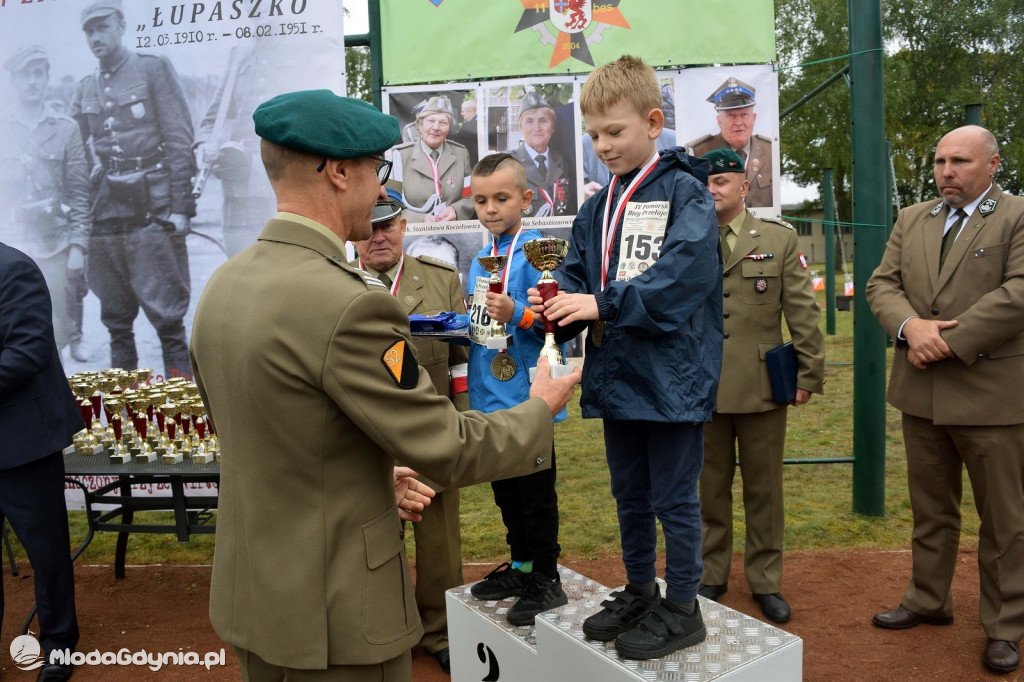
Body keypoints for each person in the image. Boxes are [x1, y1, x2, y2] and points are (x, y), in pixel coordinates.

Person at [189, 89, 580, 681]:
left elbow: (274, 436)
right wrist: (539, 406)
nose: (380, 189)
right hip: (337, 617)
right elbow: (446, 447)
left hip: (254, 601)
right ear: (340, 172)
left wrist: (371, 474)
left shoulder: (224, 285)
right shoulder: (349, 304)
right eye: (378, 170)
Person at [529, 55, 722, 659]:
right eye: (592, 135)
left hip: (671, 375)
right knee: (629, 493)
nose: (603, 145)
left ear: (653, 122)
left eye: (614, 131)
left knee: (674, 497)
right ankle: (641, 587)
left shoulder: (685, 192)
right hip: (618, 375)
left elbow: (682, 277)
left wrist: (602, 304)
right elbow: (579, 266)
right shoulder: (597, 204)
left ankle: (684, 605)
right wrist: (559, 293)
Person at [866, 125, 1024, 674]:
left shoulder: (1017, 214)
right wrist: (911, 326)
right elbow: (881, 285)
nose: (946, 172)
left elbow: (1019, 292)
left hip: (992, 398)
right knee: (931, 512)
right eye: (939, 161)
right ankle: (928, 599)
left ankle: (1004, 627)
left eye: (959, 161)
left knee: (1003, 521)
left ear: (993, 164)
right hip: (922, 394)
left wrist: (944, 341)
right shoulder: (913, 218)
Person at [695, 148, 825, 624]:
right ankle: (711, 574)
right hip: (702, 387)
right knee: (709, 490)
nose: (713, 189)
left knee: (764, 491)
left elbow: (802, 312)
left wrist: (808, 373)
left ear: (744, 187)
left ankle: (765, 581)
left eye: (722, 181)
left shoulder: (778, 238)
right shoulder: (687, 239)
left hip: (762, 387)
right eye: (706, 182)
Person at [351, 196, 470, 675]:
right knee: (370, 542)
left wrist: (461, 426)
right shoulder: (335, 282)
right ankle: (382, 633)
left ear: (404, 225)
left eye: (388, 226)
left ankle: (441, 631)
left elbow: (460, 362)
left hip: (430, 432)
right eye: (369, 228)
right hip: (363, 440)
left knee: (439, 540)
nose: (378, 237)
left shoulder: (441, 279)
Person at [465, 153, 567, 626]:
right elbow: (480, 322)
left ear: (525, 199)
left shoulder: (536, 253)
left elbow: (558, 323)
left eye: (501, 198)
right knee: (506, 490)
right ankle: (522, 566)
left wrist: (520, 314)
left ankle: (547, 577)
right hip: (490, 396)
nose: (490, 208)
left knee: (535, 493)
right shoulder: (480, 258)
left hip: (529, 396)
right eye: (481, 200)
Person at [71, 0, 196, 379]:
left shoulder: (152, 69)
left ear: (121, 25)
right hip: (107, 212)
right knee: (116, 318)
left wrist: (181, 208)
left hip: (153, 208)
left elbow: (179, 139)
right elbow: (77, 156)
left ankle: (184, 412)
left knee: (168, 315)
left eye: (102, 27)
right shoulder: (84, 88)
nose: (96, 37)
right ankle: (127, 415)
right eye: (89, 31)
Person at [1, 242, 83, 682]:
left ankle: (59, 645)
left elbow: (28, 351)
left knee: (46, 553)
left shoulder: (13, 268)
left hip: (23, 441)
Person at [0, 46, 91, 364]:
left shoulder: (66, 128)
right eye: (25, 74)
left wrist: (78, 246)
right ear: (13, 79)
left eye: (39, 73)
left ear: (46, 78)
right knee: (14, 338)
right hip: (10, 247)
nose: (32, 81)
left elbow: (79, 192)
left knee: (57, 337)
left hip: (55, 245)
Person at [687, 77, 773, 208]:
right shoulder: (697, 152)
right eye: (731, 115)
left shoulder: (770, 150)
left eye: (744, 114)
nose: (738, 122)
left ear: (754, 118)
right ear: (719, 121)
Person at [390, 96, 473, 222]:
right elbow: (391, 203)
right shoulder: (400, 156)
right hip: (411, 234)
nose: (436, 127)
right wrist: (420, 219)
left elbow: (471, 197)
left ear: (449, 128)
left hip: (452, 231)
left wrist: (455, 210)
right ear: (420, 125)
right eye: (431, 121)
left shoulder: (461, 154)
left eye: (443, 122)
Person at [509, 91, 576, 217]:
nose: (537, 127)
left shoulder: (564, 161)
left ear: (553, 127)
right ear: (520, 127)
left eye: (543, 121)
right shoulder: (508, 163)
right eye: (529, 121)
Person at [453, 99, 479, 167]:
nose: (461, 113)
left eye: (463, 111)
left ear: (470, 112)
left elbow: (457, 144)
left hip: (470, 162)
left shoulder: (467, 126)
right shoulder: (480, 124)